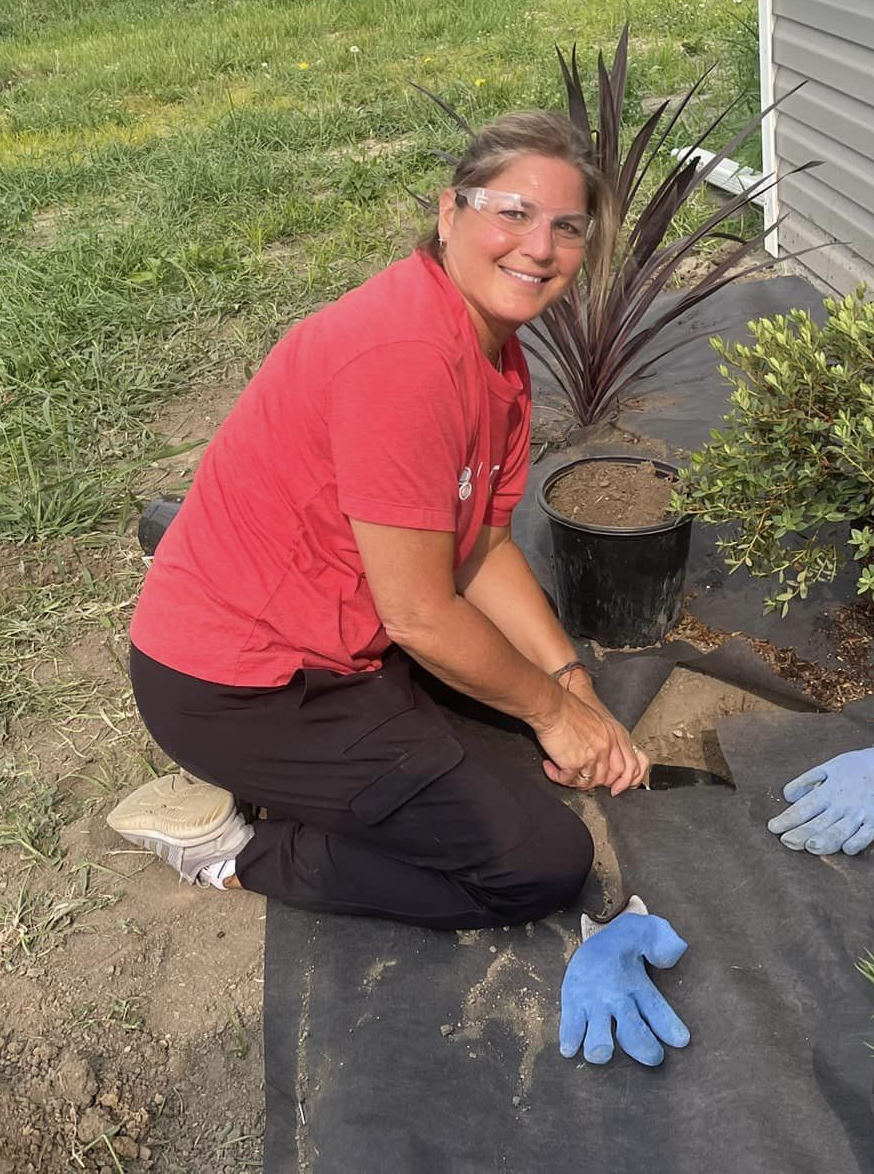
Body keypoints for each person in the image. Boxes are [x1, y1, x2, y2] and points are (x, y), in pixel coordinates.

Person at [108, 111, 652, 931]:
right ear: (448, 214)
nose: (540, 247)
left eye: (567, 226)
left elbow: (486, 547)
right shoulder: (405, 356)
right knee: (539, 863)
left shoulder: (493, 350)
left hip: (340, 633)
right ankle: (232, 851)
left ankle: (329, 784)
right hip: (241, 687)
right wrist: (551, 713)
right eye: (512, 212)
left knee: (511, 713)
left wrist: (573, 685)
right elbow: (421, 613)